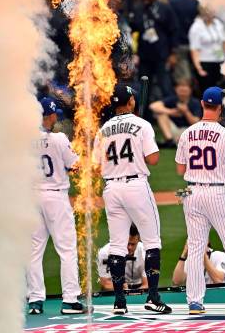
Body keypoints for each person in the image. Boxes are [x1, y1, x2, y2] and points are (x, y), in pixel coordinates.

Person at [175, 87, 225, 315]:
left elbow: (180, 168)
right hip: (219, 193)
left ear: (202, 104)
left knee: (195, 247)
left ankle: (194, 302)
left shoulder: (187, 133)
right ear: (220, 107)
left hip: (191, 192)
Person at [93, 84, 171, 314]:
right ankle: (153, 297)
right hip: (136, 186)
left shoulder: (103, 130)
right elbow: (154, 159)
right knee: (152, 241)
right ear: (131, 102)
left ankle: (119, 301)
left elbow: (98, 167)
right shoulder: (143, 125)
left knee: (116, 245)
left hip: (111, 189)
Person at [27, 98, 88, 315]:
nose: (56, 117)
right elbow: (75, 166)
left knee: (34, 251)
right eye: (54, 114)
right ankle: (70, 300)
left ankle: (35, 300)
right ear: (49, 115)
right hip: (55, 198)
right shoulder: (60, 139)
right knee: (67, 249)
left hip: (32, 198)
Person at [130, 0, 179, 98]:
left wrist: (173, 53)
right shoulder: (138, 9)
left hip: (162, 55)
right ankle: (143, 114)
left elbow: (173, 31)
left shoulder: (165, 8)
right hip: (144, 56)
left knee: (165, 86)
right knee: (144, 89)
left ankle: (171, 113)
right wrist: (134, 52)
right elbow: (134, 31)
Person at [188, 6, 225, 91]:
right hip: (206, 62)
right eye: (207, 11)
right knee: (209, 90)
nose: (210, 13)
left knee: (223, 89)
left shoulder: (218, 23)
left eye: (212, 11)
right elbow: (194, 49)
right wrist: (199, 68)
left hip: (220, 60)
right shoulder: (196, 27)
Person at [149, 80, 201, 147]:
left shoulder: (195, 102)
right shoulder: (173, 99)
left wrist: (186, 111)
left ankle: (180, 141)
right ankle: (170, 141)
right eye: (181, 91)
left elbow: (196, 123)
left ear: (190, 90)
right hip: (173, 130)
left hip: (187, 132)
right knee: (161, 114)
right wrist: (172, 112)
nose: (183, 93)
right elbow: (153, 106)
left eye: (185, 91)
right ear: (176, 90)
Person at [97, 224, 148, 291]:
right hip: (113, 288)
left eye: (133, 244)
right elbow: (106, 283)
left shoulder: (145, 252)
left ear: (138, 240)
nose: (129, 247)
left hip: (139, 287)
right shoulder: (105, 252)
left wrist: (131, 294)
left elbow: (146, 284)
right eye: (127, 243)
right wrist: (122, 289)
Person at [167, 0, 199, 82]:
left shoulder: (171, 3)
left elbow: (172, 26)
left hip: (179, 43)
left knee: (183, 76)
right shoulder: (193, 1)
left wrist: (173, 47)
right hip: (194, 43)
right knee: (195, 70)